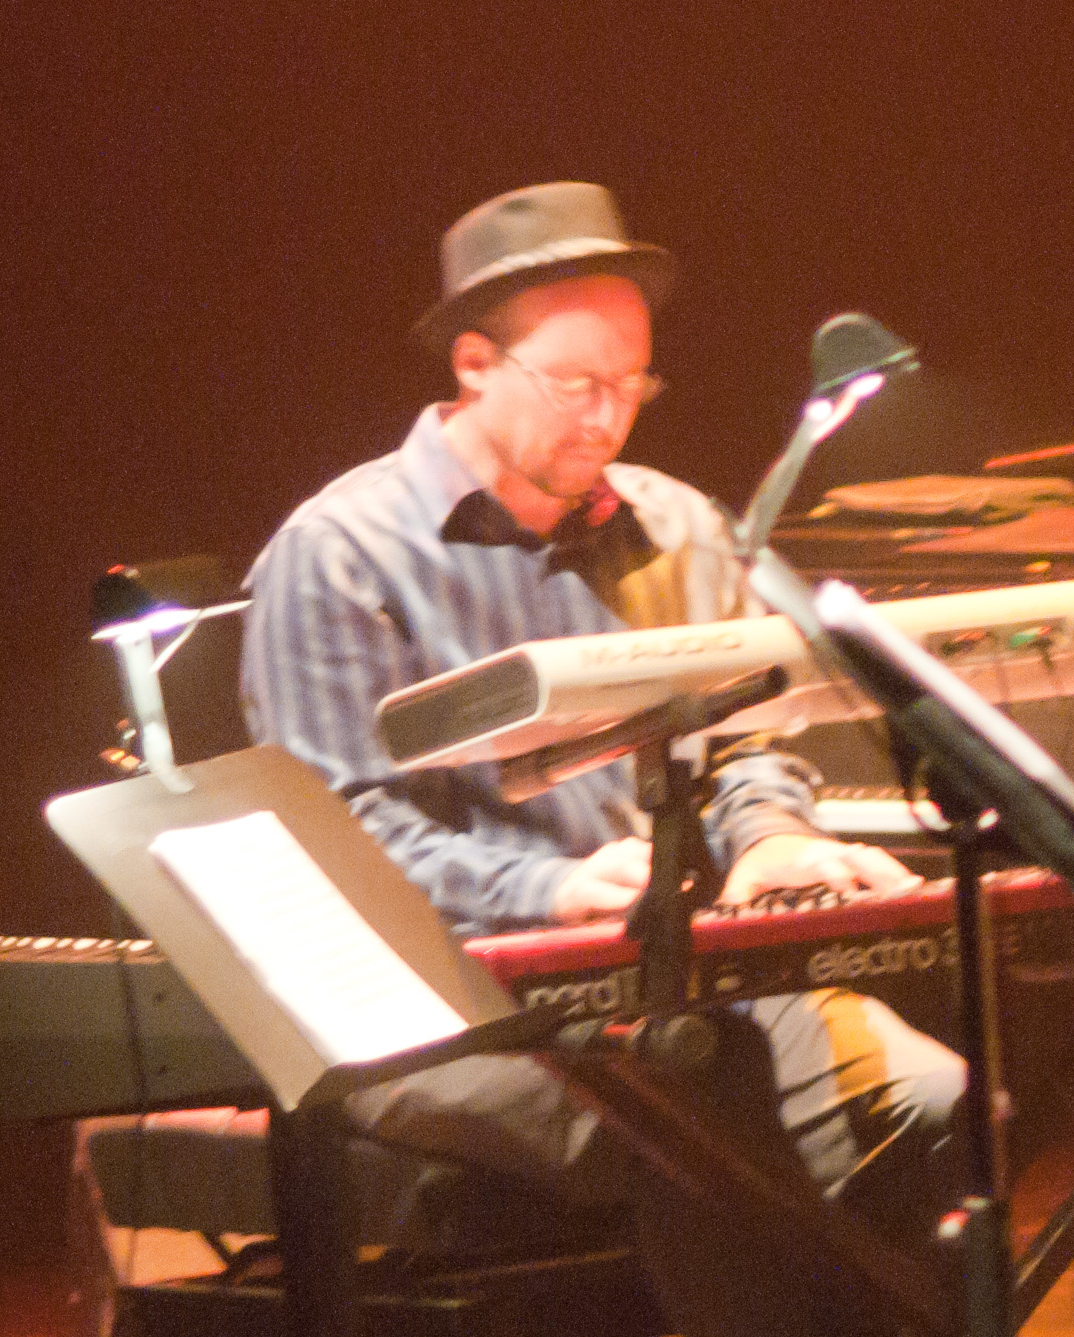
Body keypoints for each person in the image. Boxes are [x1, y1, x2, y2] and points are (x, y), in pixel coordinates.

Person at [241, 180, 964, 1334]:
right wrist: (553, 888)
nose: (610, 418)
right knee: (701, 1108)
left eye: (633, 384)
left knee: (932, 1092)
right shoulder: (338, 557)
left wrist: (771, 833)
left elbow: (744, 741)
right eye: (577, 384)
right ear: (475, 363)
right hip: (448, 1012)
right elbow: (341, 840)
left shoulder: (676, 525)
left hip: (664, 983)